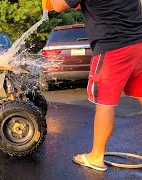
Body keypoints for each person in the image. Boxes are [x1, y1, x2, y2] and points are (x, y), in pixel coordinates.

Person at [49, 0, 142, 171]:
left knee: (105, 104)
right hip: (138, 42)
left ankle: (96, 156)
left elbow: (58, 6)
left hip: (113, 47)